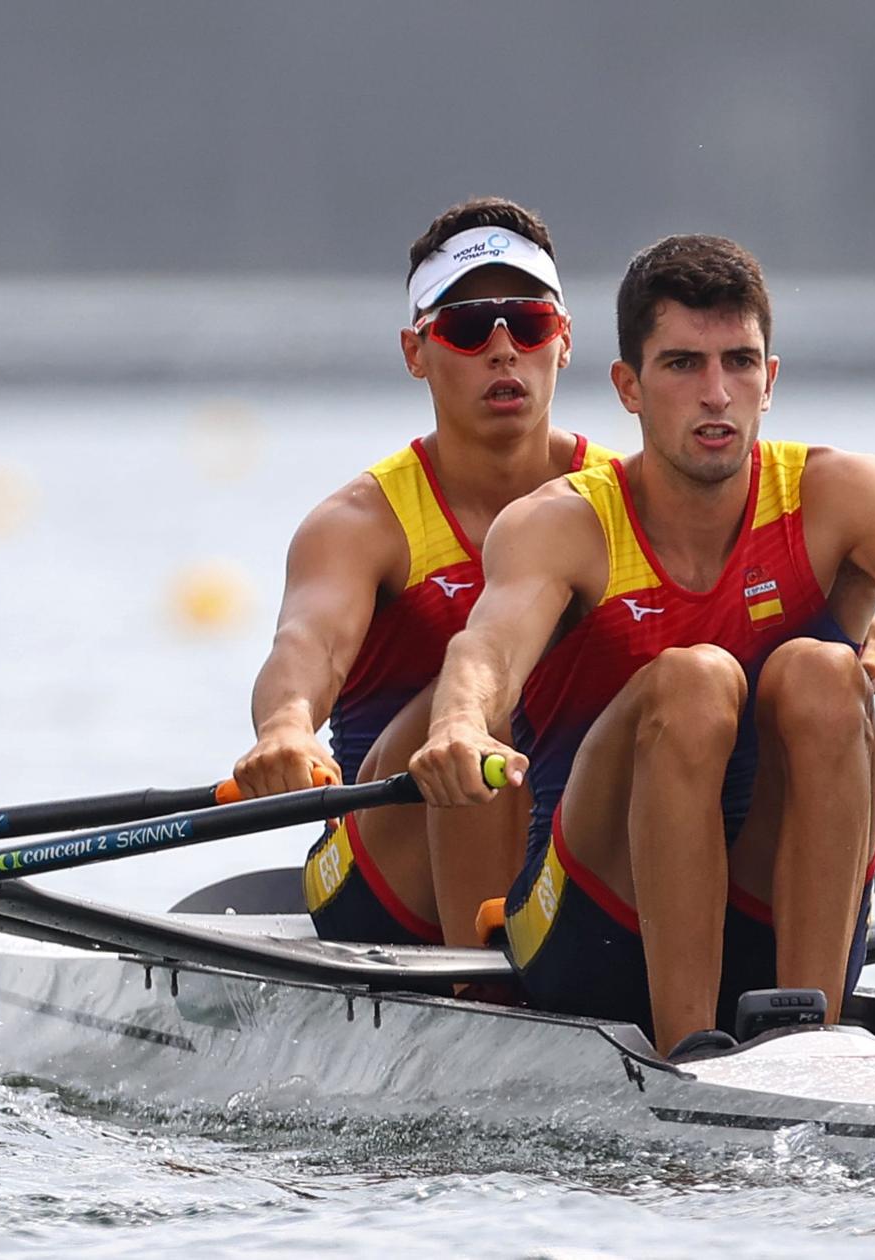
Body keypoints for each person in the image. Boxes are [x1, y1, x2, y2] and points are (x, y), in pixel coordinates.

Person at [410, 234, 875, 1057]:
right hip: (590, 928)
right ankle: (690, 1042)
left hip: (772, 911)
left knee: (820, 671)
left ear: (771, 380)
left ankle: (815, 1046)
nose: (716, 394)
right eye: (683, 366)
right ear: (628, 387)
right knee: (694, 682)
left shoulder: (840, 495)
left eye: (739, 362)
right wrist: (458, 726)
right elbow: (486, 654)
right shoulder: (563, 525)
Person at [230, 196, 617, 947]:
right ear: (417, 352)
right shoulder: (361, 524)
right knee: (483, 692)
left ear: (562, 342)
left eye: (529, 324)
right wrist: (285, 727)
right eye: (469, 329)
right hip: (381, 880)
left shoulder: (626, 497)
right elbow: (308, 645)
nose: (504, 351)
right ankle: (488, 993)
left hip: (568, 852)